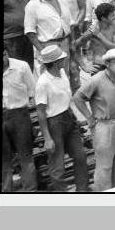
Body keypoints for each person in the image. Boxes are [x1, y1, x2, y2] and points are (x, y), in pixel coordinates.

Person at [72, 48, 115, 191]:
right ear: (107, 63)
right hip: (104, 125)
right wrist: (89, 117)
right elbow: (78, 97)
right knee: (105, 165)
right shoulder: (97, 79)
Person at [34, 45, 89, 192]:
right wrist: (47, 138)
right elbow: (40, 112)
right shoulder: (43, 83)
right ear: (55, 62)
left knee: (80, 156)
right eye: (61, 59)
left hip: (68, 117)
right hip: (54, 123)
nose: (64, 60)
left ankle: (82, 191)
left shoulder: (63, 73)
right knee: (57, 166)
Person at [1, 44, 37, 192]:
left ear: (6, 53)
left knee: (26, 157)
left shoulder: (22, 67)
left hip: (20, 115)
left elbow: (32, 90)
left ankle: (30, 191)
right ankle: (5, 193)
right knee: (3, 160)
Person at [24, 0, 71, 74]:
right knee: (48, 79)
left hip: (64, 43)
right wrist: (43, 52)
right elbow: (30, 33)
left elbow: (67, 22)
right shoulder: (32, 5)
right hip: (47, 46)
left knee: (64, 76)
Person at [4, 0, 36, 67]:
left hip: (26, 34)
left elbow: (36, 1)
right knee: (15, 68)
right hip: (9, 37)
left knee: (27, 66)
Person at [76, 2, 115, 70]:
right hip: (99, 65)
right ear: (103, 18)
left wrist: (99, 35)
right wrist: (83, 66)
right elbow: (75, 45)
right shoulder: (92, 30)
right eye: (112, 15)